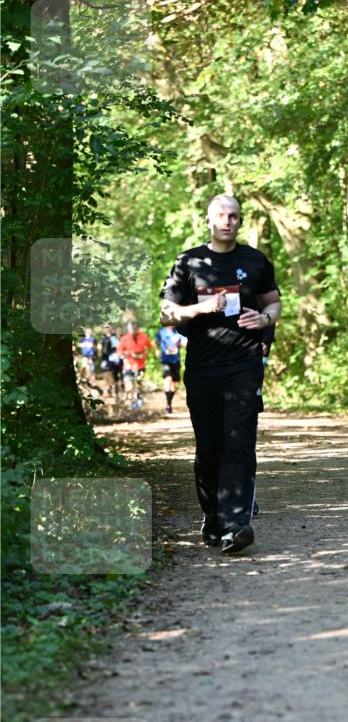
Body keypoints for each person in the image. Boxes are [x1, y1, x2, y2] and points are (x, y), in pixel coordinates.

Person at [159, 194, 281, 553]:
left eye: (234, 216)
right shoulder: (189, 261)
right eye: (221, 216)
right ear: (209, 220)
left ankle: (235, 524)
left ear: (241, 222)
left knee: (239, 444)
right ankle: (212, 518)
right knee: (210, 448)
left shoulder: (255, 260)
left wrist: (265, 318)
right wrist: (200, 308)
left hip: (243, 365)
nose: (227, 221)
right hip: (203, 367)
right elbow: (167, 313)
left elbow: (273, 301)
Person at [118, 312, 151, 409]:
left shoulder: (143, 336)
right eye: (130, 328)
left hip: (140, 365)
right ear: (128, 329)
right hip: (128, 366)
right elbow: (119, 352)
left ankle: (138, 405)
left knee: (139, 386)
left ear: (137, 328)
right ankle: (130, 405)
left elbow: (149, 347)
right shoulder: (124, 339)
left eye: (134, 328)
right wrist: (126, 356)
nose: (132, 330)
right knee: (129, 386)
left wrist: (144, 354)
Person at [154, 324, 187, 414]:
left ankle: (169, 403)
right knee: (168, 378)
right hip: (165, 360)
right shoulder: (162, 332)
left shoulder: (178, 331)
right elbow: (156, 342)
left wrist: (181, 344)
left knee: (174, 383)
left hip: (176, 361)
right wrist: (156, 350)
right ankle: (168, 405)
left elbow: (185, 343)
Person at [99, 322, 123, 402]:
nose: (107, 329)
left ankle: (117, 392)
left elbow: (117, 348)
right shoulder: (102, 338)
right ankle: (108, 390)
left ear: (111, 328)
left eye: (108, 327)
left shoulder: (114, 337)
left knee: (116, 376)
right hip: (105, 359)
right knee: (106, 374)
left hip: (114, 359)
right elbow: (100, 349)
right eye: (105, 327)